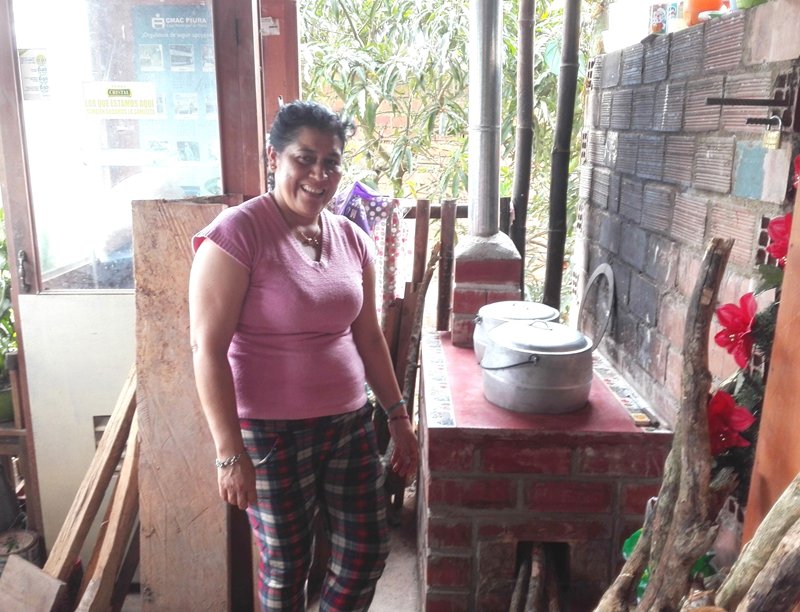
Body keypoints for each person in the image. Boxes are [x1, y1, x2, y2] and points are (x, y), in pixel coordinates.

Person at [188, 100, 419, 611]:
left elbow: (369, 338)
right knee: (287, 564)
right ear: (275, 158)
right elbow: (207, 350)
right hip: (270, 436)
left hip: (349, 425)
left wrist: (398, 416)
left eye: (331, 161)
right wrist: (230, 453)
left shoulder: (353, 240)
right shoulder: (236, 236)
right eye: (304, 158)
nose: (319, 174)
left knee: (366, 551)